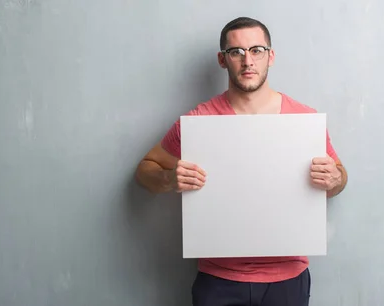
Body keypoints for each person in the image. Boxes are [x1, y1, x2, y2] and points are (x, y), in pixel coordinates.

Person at [135, 16, 348, 306]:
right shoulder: (200, 120)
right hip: (219, 278)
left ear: (270, 56)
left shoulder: (304, 119)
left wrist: (335, 180)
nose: (248, 61)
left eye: (257, 50)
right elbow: (145, 169)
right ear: (222, 60)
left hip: (287, 277)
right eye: (236, 52)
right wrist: (169, 179)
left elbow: (339, 177)